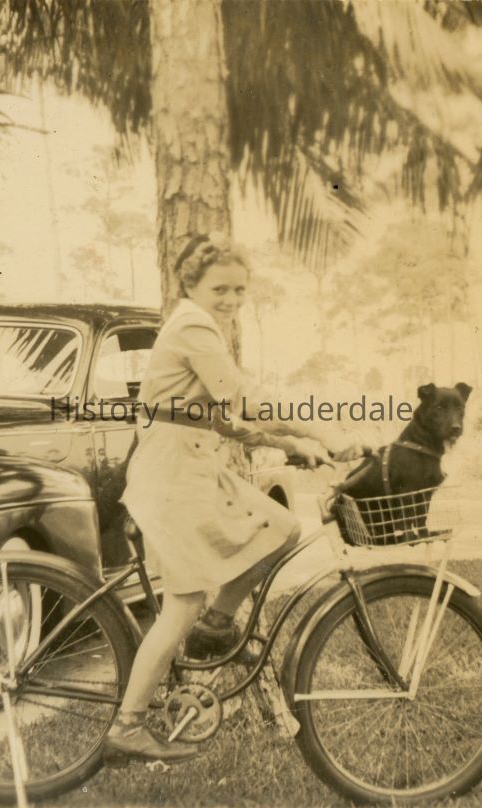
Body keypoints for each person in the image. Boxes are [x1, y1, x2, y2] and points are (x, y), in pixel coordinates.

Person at [103, 233, 364, 765]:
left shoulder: (199, 327)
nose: (231, 300)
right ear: (191, 286)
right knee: (181, 604)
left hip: (192, 468)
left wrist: (289, 445)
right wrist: (320, 430)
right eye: (219, 289)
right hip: (172, 475)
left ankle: (216, 626)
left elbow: (220, 418)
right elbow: (243, 398)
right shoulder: (193, 326)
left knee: (281, 528)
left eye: (240, 290)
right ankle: (127, 726)